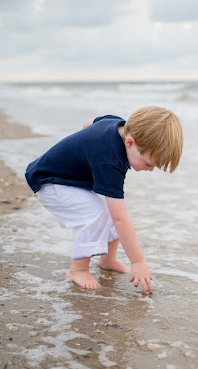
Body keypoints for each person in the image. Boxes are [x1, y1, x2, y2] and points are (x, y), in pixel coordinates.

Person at [25, 106, 183, 293]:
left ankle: (107, 260)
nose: (150, 169)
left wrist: (85, 151)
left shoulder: (118, 124)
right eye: (149, 163)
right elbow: (120, 219)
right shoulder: (110, 161)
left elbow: (88, 123)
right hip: (48, 181)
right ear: (130, 143)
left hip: (68, 178)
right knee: (95, 213)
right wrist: (138, 262)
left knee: (110, 209)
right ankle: (78, 269)